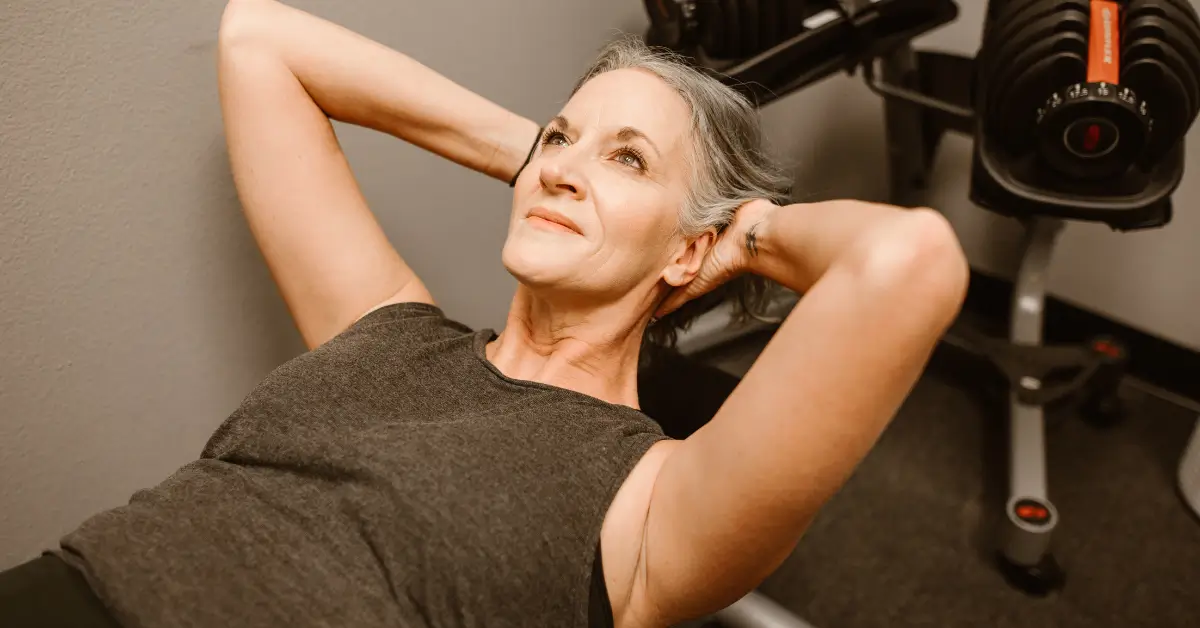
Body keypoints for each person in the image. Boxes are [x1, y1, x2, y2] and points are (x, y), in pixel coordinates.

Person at [0, 1, 969, 627]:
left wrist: (738, 233)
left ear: (686, 249)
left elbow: (909, 260)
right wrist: (543, 158)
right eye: (564, 134)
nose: (566, 163)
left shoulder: (651, 507)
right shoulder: (384, 324)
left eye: (629, 158)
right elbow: (261, 38)